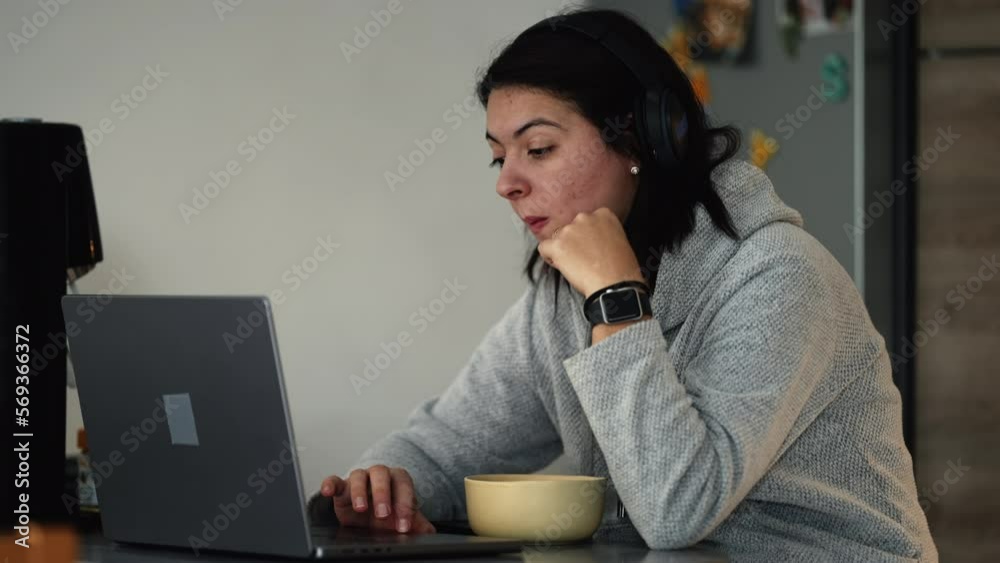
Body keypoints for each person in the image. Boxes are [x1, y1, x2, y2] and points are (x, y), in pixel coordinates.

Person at [319, 8, 937, 562]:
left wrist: (615, 300)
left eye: (537, 148)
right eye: (497, 156)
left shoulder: (779, 276)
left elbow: (676, 511)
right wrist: (382, 482)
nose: (506, 182)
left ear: (640, 140)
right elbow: (452, 441)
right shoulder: (561, 298)